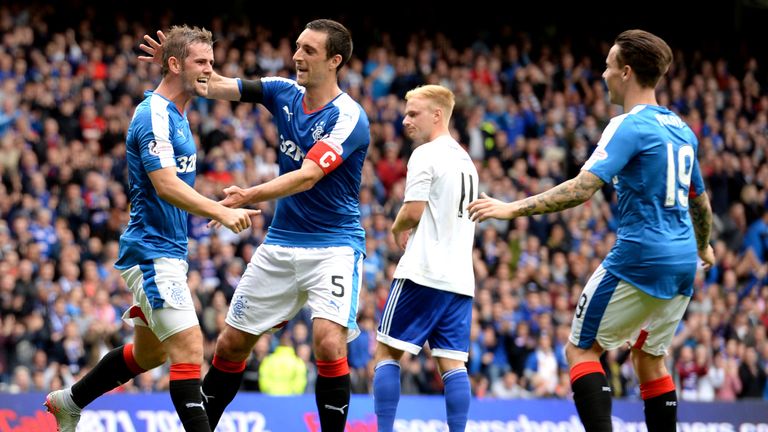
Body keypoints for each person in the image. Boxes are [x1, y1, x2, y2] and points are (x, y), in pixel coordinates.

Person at [468, 29, 715, 432]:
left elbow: (583, 189)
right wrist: (703, 246)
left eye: (608, 66)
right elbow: (699, 201)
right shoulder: (682, 129)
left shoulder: (627, 126)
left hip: (640, 256)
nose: (603, 75)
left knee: (580, 351)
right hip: (683, 260)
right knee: (649, 358)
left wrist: (510, 208)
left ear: (627, 72)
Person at [140, 19, 369, 431]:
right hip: (281, 244)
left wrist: (249, 195)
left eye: (309, 51)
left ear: (335, 61)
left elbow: (308, 174)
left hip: (334, 246)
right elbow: (215, 85)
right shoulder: (283, 91)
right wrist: (175, 69)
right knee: (229, 343)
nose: (297, 56)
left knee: (329, 342)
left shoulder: (350, 117)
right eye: (297, 46)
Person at [44, 25, 258, 432]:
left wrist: (178, 64)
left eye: (212, 62)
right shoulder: (153, 115)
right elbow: (164, 183)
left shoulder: (177, 110)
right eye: (202, 63)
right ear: (176, 65)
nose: (210, 71)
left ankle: (69, 401)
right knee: (190, 347)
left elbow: (207, 88)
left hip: (171, 250)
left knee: (150, 355)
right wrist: (218, 210)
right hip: (151, 251)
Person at [372, 84, 478, 432]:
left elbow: (413, 211)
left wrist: (394, 229)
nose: (405, 121)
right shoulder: (466, 160)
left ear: (437, 115)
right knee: (452, 364)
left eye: (413, 113)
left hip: (423, 272)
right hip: (460, 280)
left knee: (387, 353)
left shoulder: (426, 154)